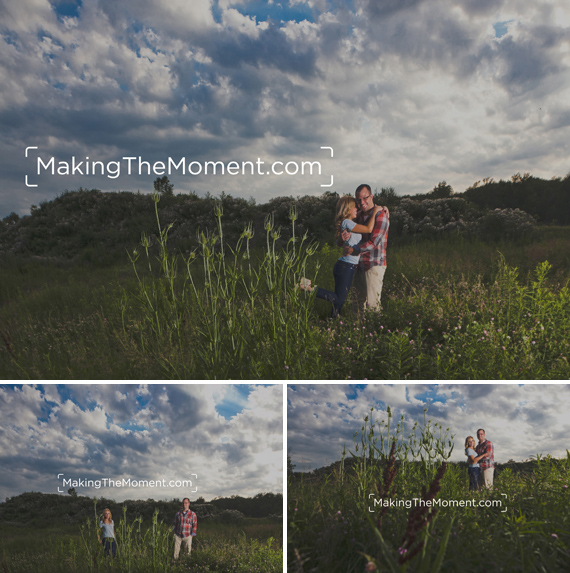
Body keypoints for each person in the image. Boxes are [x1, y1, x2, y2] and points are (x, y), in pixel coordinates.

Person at [299, 196, 381, 317]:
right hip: (346, 266)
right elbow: (369, 229)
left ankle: (332, 323)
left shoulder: (349, 223)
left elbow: (342, 241)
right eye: (354, 207)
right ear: (348, 209)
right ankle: (307, 287)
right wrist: (375, 211)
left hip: (346, 266)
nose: (356, 209)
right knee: (338, 299)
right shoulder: (347, 222)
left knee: (338, 301)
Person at [340, 184, 390, 311]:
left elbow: (374, 243)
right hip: (358, 264)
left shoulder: (381, 215)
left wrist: (354, 250)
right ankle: (357, 329)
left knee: (373, 305)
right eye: (358, 200)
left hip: (374, 264)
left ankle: (375, 330)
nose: (362, 202)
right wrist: (344, 238)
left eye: (365, 198)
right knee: (356, 304)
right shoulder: (359, 216)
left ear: (371, 196)